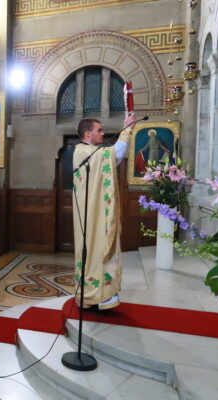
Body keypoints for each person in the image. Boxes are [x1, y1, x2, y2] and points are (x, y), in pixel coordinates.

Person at [72, 114, 136, 310]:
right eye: (99, 130)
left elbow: (112, 159)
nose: (103, 133)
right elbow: (115, 155)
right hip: (91, 214)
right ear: (88, 134)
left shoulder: (90, 151)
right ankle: (93, 294)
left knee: (97, 248)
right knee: (94, 248)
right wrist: (127, 129)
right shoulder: (84, 152)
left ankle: (97, 293)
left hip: (94, 210)